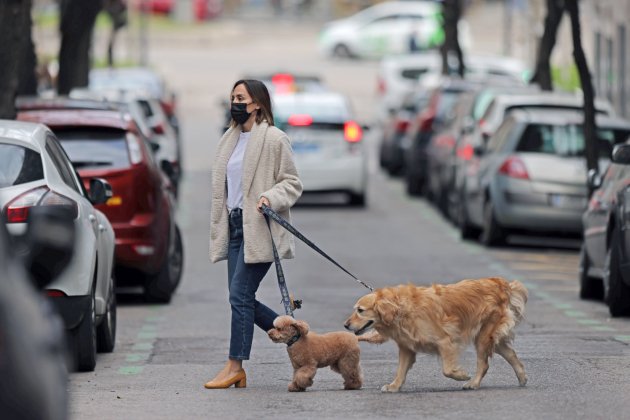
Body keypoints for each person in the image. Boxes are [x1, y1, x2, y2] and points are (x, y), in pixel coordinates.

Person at [205, 79, 303, 389]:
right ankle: (294, 335)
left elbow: (292, 183)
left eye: (241, 97)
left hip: (259, 228)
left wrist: (269, 197)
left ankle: (235, 365)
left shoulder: (274, 139)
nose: (235, 102)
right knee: (240, 298)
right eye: (232, 97)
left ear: (257, 103)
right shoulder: (229, 140)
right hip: (234, 227)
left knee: (239, 295)